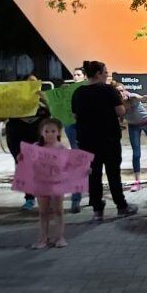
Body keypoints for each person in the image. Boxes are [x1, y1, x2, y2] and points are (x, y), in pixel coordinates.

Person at [71, 61, 138, 221]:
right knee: (113, 173)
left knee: (93, 175)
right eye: (105, 72)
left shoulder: (78, 92)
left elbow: (74, 115)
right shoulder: (109, 90)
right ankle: (121, 206)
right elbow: (120, 110)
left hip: (87, 140)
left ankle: (97, 210)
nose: (107, 74)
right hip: (109, 138)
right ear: (99, 74)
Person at [20, 118, 68, 249]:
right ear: (41, 133)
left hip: (58, 183)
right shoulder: (36, 147)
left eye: (53, 131)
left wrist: (84, 168)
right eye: (46, 131)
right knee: (43, 212)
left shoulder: (62, 148)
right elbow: (28, 162)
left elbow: (69, 165)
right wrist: (22, 158)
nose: (50, 134)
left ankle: (60, 237)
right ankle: (43, 238)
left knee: (58, 211)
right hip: (41, 183)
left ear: (58, 132)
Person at [5, 74, 50, 211]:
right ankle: (29, 198)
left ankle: (45, 197)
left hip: (38, 136)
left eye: (35, 83)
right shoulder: (14, 98)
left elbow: (54, 112)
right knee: (24, 167)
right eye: (29, 83)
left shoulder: (43, 98)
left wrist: (43, 98)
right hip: (17, 137)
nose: (32, 85)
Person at [113, 81, 147, 192]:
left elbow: (146, 98)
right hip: (133, 126)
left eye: (122, 90)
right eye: (118, 91)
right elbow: (120, 115)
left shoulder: (132, 97)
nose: (121, 93)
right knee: (136, 153)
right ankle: (137, 182)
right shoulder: (117, 103)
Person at [66, 67, 85, 213]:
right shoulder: (67, 90)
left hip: (87, 128)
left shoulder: (87, 90)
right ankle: (75, 200)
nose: (75, 77)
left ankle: (94, 197)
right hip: (72, 127)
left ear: (84, 77)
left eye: (78, 74)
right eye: (74, 74)